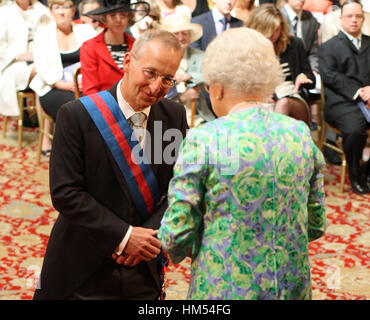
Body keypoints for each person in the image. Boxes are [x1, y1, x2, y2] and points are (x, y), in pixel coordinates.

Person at [158, 27, 326, 300]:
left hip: (224, 288)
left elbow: (176, 235)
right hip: (290, 285)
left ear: (217, 88)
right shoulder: (299, 134)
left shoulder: (206, 139)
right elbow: (316, 223)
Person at [33, 29, 188, 300]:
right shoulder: (76, 116)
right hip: (83, 261)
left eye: (167, 79)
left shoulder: (173, 115)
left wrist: (146, 239)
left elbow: (177, 185)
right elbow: (65, 194)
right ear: (127, 62)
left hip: (142, 265)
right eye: (150, 73)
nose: (156, 88)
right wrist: (126, 236)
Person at [30, 0, 95, 154]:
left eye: (65, 7)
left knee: (101, 104)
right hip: (53, 87)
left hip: (84, 84)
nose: (61, 12)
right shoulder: (43, 33)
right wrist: (63, 85)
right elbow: (41, 66)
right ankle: (76, 152)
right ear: (51, 11)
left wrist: (86, 82)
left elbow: (94, 57)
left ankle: (93, 150)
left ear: (73, 11)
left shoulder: (85, 30)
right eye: (56, 7)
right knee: (77, 108)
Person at [319, 0, 370, 194]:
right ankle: (355, 175)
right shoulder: (328, 47)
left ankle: (368, 170)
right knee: (355, 130)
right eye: (349, 16)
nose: (354, 21)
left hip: (369, 100)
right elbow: (330, 76)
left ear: (363, 18)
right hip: (342, 102)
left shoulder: (369, 42)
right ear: (341, 19)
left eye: (358, 16)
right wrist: (360, 91)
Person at [246, 4, 315, 126]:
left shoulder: (294, 44)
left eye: (276, 29)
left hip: (292, 96)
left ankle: (277, 142)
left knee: (282, 104)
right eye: (268, 30)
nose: (272, 35)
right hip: (261, 100)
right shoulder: (248, 48)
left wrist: (303, 78)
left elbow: (311, 79)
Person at [80, 0, 149, 95]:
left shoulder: (137, 45)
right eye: (112, 15)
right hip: (104, 104)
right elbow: (90, 91)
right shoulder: (89, 47)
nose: (118, 19)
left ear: (129, 17)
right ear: (104, 18)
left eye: (123, 15)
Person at [0, 0, 50, 117]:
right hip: (12, 64)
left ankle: (45, 123)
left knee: (47, 71)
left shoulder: (42, 10)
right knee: (45, 71)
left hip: (41, 58)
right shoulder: (4, 12)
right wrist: (18, 56)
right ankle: (45, 125)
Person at [161, 13, 213, 123]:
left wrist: (187, 76)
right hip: (169, 122)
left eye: (184, 33)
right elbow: (158, 100)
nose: (181, 38)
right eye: (176, 33)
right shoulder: (160, 60)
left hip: (199, 120)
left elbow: (213, 75)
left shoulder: (200, 56)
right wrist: (182, 98)